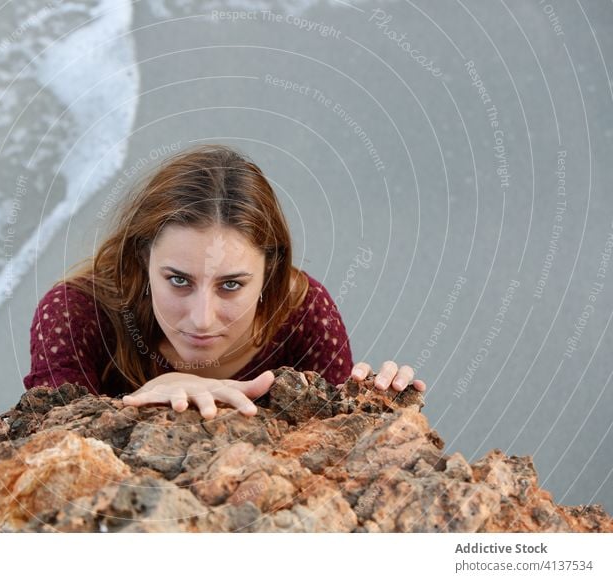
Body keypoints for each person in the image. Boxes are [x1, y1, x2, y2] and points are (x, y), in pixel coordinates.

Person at [23, 144, 426, 419]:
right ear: (142, 258)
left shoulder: (304, 315)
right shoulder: (76, 313)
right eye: (178, 280)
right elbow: (41, 446)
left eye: (231, 285)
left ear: (270, 272)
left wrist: (374, 411)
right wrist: (153, 394)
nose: (201, 319)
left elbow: (334, 450)